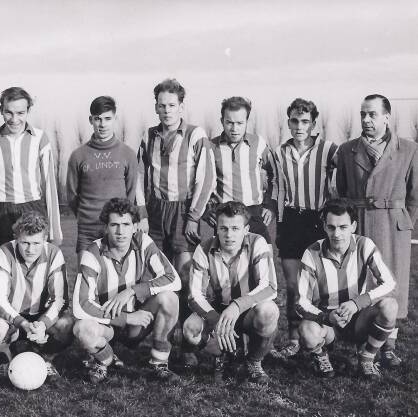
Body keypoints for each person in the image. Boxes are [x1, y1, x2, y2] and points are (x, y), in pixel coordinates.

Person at [135, 79, 215, 366]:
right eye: (162, 105)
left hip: (183, 211)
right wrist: (142, 214)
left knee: (185, 275)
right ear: (156, 107)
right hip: (156, 212)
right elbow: (138, 177)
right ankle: (162, 343)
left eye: (172, 105)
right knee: (158, 277)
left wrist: (193, 217)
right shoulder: (148, 136)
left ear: (181, 106)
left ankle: (187, 346)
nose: (167, 110)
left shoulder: (195, 134)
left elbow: (206, 178)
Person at [336, 94, 418, 366]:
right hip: (359, 224)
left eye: (372, 114)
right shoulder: (347, 150)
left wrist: (402, 223)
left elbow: (414, 196)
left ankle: (388, 346)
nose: (366, 119)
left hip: (393, 227)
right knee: (361, 282)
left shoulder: (409, 149)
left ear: (386, 117)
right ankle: (362, 341)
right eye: (362, 114)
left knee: (391, 284)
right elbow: (343, 191)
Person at [73, 198, 182, 383]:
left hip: (137, 325)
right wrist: (126, 318)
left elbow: (173, 278)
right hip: (107, 326)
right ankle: (105, 359)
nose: (120, 231)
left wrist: (132, 291)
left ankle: (159, 363)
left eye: (126, 224)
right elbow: (80, 305)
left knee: (169, 298)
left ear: (135, 227)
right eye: (114, 225)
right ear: (106, 227)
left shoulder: (143, 242)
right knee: (82, 329)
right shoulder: (92, 253)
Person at [296, 199, 397, 379]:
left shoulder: (364, 245)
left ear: (353, 226)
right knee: (306, 330)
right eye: (331, 227)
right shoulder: (311, 253)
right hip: (329, 324)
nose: (337, 234)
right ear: (324, 226)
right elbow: (300, 301)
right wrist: (326, 317)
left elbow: (389, 283)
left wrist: (357, 303)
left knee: (390, 306)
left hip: (359, 320)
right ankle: (321, 356)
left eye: (343, 227)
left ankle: (367, 357)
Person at [269, 98, 338, 359]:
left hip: (317, 221)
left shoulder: (329, 149)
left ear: (313, 124)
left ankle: (322, 335)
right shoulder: (278, 152)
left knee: (320, 285)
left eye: (305, 121)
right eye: (295, 121)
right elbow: (270, 183)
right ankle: (294, 338)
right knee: (292, 285)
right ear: (288, 122)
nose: (299, 126)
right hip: (290, 220)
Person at [183, 201, 279, 385]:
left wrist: (237, 306)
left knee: (269, 311)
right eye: (224, 228)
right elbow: (194, 295)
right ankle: (222, 355)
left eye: (235, 228)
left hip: (248, 310)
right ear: (216, 229)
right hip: (217, 310)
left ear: (246, 229)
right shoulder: (204, 249)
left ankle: (254, 361)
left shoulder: (257, 242)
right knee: (190, 328)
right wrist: (216, 320)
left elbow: (269, 286)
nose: (229, 235)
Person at [0, 211, 73, 380]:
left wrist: (43, 324)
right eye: (25, 242)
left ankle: (46, 359)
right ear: (16, 238)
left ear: (45, 239)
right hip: (14, 319)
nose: (30, 249)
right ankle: (5, 361)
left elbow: (60, 300)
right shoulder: (4, 252)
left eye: (36, 243)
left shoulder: (54, 253)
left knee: (66, 324)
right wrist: (23, 323)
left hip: (41, 317)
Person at [0, 87, 62, 252]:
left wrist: (55, 230)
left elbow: (50, 185)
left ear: (28, 111)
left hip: (33, 208)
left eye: (20, 113)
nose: (14, 119)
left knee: (34, 263)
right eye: (8, 112)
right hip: (1, 211)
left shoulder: (40, 138)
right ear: (1, 110)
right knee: (4, 263)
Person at [67, 96, 139, 258]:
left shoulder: (127, 154)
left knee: (117, 274)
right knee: (86, 273)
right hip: (88, 229)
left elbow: (131, 193)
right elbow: (72, 195)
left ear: (115, 119)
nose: (102, 124)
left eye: (107, 119)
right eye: (97, 119)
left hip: (117, 229)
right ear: (91, 120)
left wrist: (120, 220)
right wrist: (86, 215)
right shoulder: (78, 155)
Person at [202, 96, 276, 243]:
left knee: (265, 253)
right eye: (229, 122)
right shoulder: (211, 147)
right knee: (226, 257)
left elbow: (275, 174)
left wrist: (270, 205)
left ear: (247, 121)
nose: (234, 128)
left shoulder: (258, 143)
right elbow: (199, 181)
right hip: (225, 215)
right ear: (222, 121)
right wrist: (205, 210)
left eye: (240, 123)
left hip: (253, 212)